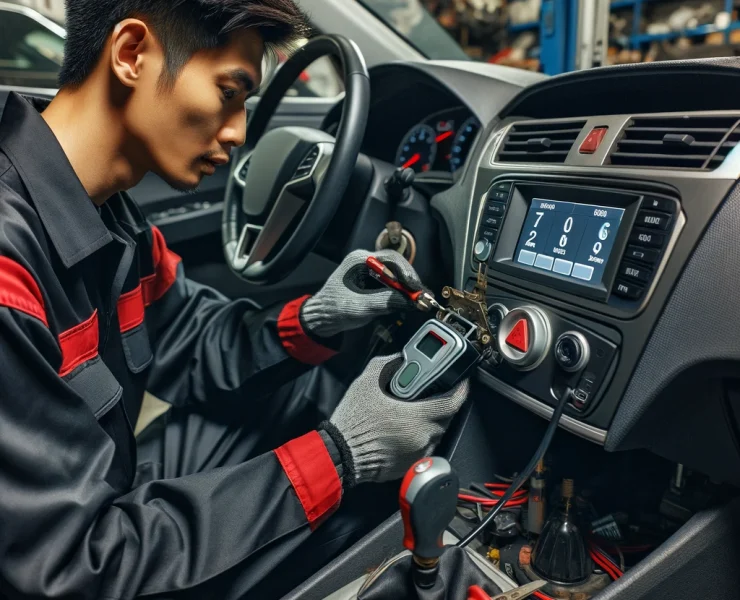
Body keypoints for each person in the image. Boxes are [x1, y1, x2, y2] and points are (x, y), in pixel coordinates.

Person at [0, 0, 469, 598]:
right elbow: (70, 567)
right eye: (230, 92)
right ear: (131, 54)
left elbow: (189, 339)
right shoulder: (9, 270)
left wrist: (317, 319)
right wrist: (342, 455)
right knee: (357, 502)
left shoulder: (106, 213)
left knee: (306, 401)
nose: (241, 131)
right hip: (73, 559)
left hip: (94, 491)